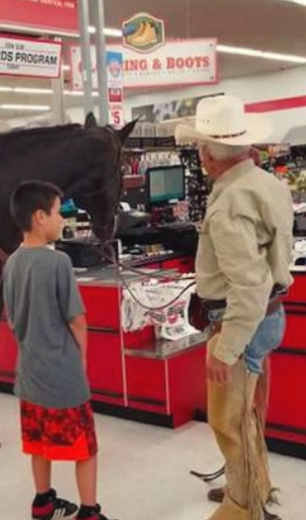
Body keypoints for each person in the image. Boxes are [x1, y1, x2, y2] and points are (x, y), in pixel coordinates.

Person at [176, 95, 292, 520]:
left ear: (208, 155)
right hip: (267, 317)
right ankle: (255, 486)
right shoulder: (266, 184)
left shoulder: (227, 205)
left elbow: (248, 284)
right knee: (250, 414)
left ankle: (242, 508)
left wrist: (225, 348)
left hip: (240, 322)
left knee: (230, 421)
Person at [3, 181, 112, 520]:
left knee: (39, 444)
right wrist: (80, 360)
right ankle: (89, 511)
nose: (62, 219)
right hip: (62, 374)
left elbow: (11, 320)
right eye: (57, 212)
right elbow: (77, 319)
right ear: (39, 217)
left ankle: (43, 503)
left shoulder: (12, 263)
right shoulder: (58, 263)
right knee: (85, 449)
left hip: (30, 373)